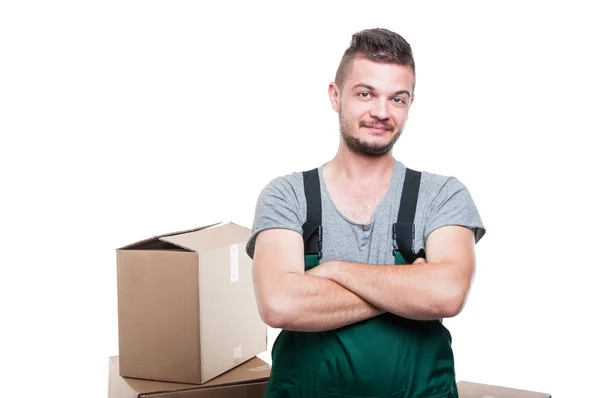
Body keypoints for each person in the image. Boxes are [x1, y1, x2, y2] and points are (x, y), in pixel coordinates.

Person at [245, 27, 486, 398]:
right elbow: (280, 304)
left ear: (410, 105)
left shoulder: (443, 195)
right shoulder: (287, 195)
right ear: (335, 95)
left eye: (397, 99)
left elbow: (447, 295)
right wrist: (406, 286)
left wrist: (333, 272)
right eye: (365, 93)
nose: (381, 112)